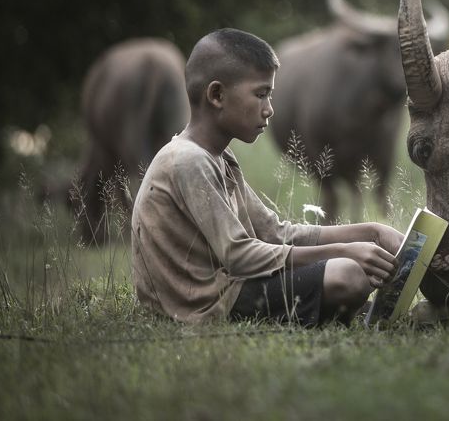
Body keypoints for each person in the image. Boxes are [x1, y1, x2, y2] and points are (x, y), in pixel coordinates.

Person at [131, 28, 403, 326]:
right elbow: (239, 255)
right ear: (217, 95)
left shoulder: (217, 157)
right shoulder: (188, 160)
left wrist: (370, 232)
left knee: (348, 267)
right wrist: (344, 251)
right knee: (348, 273)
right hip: (208, 303)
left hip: (227, 289)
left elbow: (275, 232)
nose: (270, 110)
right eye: (261, 95)